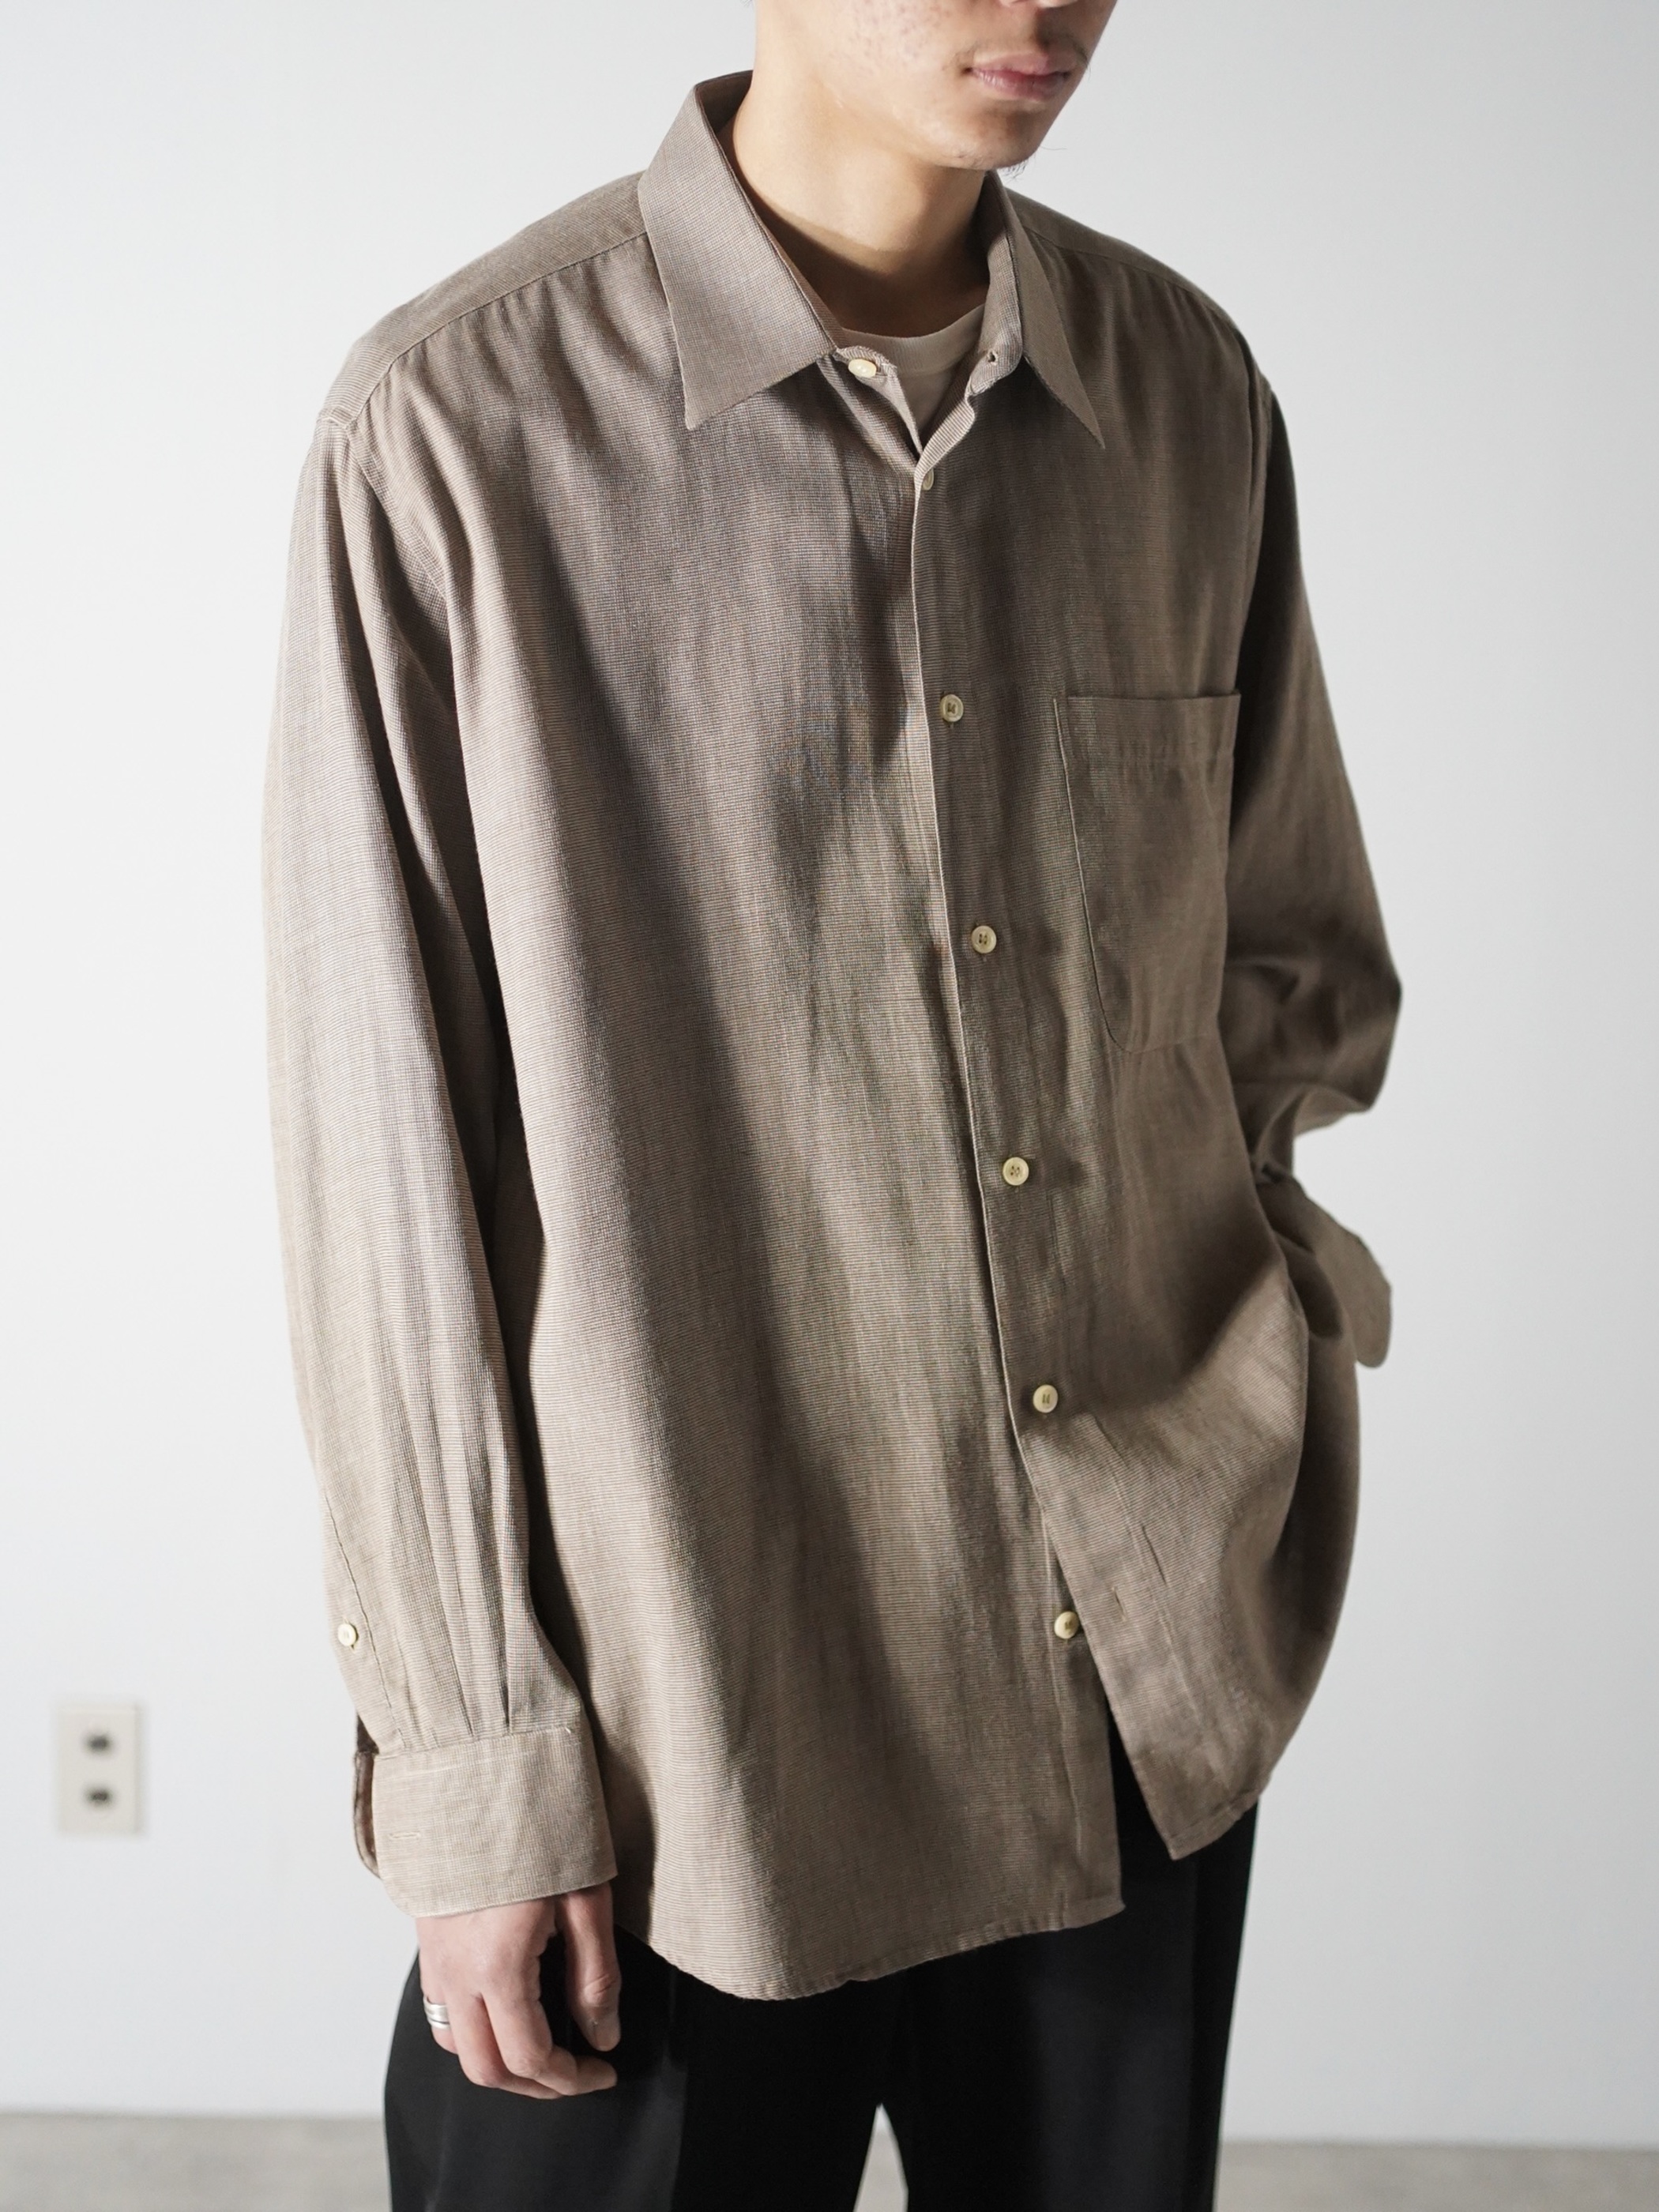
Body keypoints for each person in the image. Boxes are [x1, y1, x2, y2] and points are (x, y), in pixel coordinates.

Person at [264, 2, 1399, 2205]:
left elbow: (1280, 961)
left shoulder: (1182, 391)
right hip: (686, 1736)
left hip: (1121, 1682)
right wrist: (481, 1763)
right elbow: (377, 1164)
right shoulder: (455, 426)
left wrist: (1247, 1383)